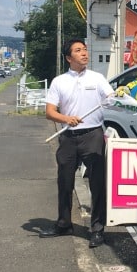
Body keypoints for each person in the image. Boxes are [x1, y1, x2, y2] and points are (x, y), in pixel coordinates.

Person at [41, 39, 114, 248]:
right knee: (64, 181)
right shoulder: (59, 81)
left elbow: (111, 98)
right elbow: (49, 112)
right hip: (68, 136)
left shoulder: (97, 78)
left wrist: (117, 96)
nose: (84, 53)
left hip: (93, 135)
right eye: (78, 50)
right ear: (68, 58)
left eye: (85, 49)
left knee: (97, 182)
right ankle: (64, 224)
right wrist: (66, 118)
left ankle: (98, 230)